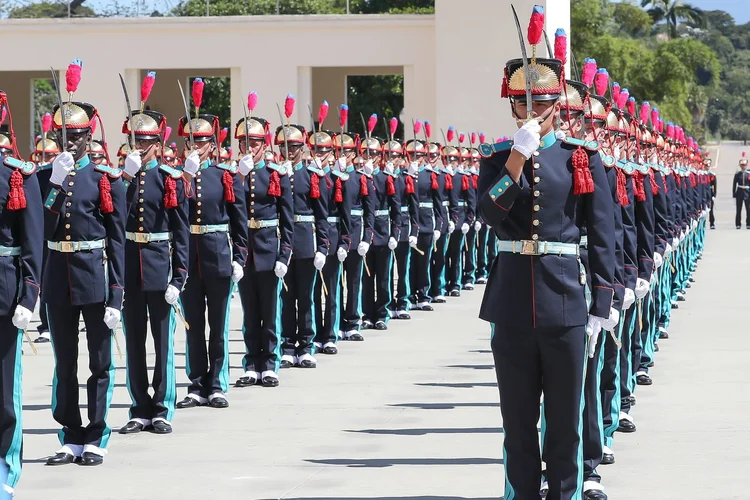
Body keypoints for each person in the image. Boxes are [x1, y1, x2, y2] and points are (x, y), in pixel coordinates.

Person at [477, 10, 615, 499]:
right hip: (512, 301)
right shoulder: (497, 156)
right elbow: (490, 215)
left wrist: (603, 302)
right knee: (517, 422)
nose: (533, 111)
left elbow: (602, 233)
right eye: (522, 103)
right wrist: (518, 155)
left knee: (564, 422)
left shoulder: (581, 156)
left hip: (564, 301)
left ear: (559, 105)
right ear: (512, 106)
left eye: (542, 104)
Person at [43, 60, 126, 467]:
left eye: (74, 136)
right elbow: (43, 227)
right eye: (61, 136)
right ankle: (69, 434)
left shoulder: (105, 178)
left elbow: (118, 240)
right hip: (59, 276)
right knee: (65, 361)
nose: (68, 143)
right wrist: (55, 186)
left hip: (94, 275)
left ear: (87, 136)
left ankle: (96, 435)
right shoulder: (46, 175)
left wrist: (117, 295)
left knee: (98, 362)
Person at [118, 73, 189, 435]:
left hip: (161, 267)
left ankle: (161, 408)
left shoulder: (169, 178)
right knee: (134, 342)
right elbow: (113, 222)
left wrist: (179, 277)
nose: (140, 148)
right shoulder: (120, 180)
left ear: (157, 143)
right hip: (131, 267)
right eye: (135, 141)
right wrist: (125, 179)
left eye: (146, 142)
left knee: (162, 343)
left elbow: (182, 233)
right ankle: (138, 407)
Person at [176, 79, 248, 408]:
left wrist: (240, 257)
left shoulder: (224, 174)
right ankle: (196, 383)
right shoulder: (178, 176)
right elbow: (173, 212)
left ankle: (217, 383)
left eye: (203, 140)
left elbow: (238, 219)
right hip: (189, 258)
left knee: (217, 326)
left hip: (218, 255)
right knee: (193, 325)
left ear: (211, 142)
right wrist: (185, 176)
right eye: (192, 139)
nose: (198, 144)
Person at [0, 91, 43, 496]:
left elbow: (32, 240)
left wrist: (29, 296)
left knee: (4, 393)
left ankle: (5, 471)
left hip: (3, 292)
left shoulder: (17, 173)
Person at [233, 113, 293, 387]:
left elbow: (287, 219)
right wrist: (240, 177)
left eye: (254, 143)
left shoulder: (275, 174)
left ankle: (269, 363)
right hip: (245, 251)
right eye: (244, 143)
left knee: (269, 312)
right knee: (249, 311)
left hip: (269, 248)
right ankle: (251, 363)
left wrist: (285, 254)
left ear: (264, 145)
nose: (250, 148)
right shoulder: (235, 175)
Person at [278, 123, 328, 369]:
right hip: (283, 243)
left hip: (306, 240)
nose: (289, 151)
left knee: (307, 297)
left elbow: (322, 215)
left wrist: (323, 247)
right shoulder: (277, 174)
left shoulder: (311, 176)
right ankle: (288, 346)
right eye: (284, 147)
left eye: (294, 146)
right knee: (287, 297)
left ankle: (306, 346)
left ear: (302, 148)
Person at [732, 153, 750, 229]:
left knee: (748, 209)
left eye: (744, 165)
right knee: (738, 209)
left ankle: (748, 223)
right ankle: (738, 224)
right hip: (739, 192)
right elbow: (734, 184)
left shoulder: (748, 173)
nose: (743, 167)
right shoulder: (737, 174)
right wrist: (734, 194)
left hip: (747, 192)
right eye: (742, 165)